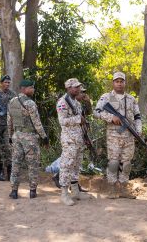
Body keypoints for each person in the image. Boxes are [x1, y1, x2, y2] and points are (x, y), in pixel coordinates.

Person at [93, 72, 142, 199]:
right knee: (114, 163)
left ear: (125, 83)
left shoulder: (131, 99)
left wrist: (139, 131)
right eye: (117, 81)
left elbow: (137, 117)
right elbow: (96, 112)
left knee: (126, 164)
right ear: (113, 83)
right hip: (113, 136)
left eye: (122, 81)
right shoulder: (107, 97)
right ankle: (112, 188)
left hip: (129, 136)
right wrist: (111, 117)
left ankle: (124, 188)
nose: (119, 83)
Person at [7, 80, 48, 199]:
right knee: (33, 164)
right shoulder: (30, 103)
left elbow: (9, 121)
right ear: (24, 89)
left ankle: (14, 191)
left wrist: (10, 136)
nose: (33, 90)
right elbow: (37, 123)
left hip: (16, 136)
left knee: (16, 164)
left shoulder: (11, 102)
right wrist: (44, 137)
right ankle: (32, 191)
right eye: (31, 88)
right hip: (29, 138)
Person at [56, 78, 88, 206]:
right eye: (75, 87)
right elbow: (62, 121)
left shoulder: (77, 103)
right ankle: (64, 193)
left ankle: (75, 191)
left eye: (79, 87)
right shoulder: (62, 102)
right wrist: (77, 119)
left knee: (76, 165)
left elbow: (81, 121)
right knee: (67, 165)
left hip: (79, 139)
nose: (78, 89)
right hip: (69, 140)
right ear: (68, 88)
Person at [0, 75, 17, 180]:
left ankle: (10, 171)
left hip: (8, 125)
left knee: (8, 148)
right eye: (5, 82)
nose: (7, 84)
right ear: (1, 83)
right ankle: (0, 171)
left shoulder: (13, 94)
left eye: (8, 82)